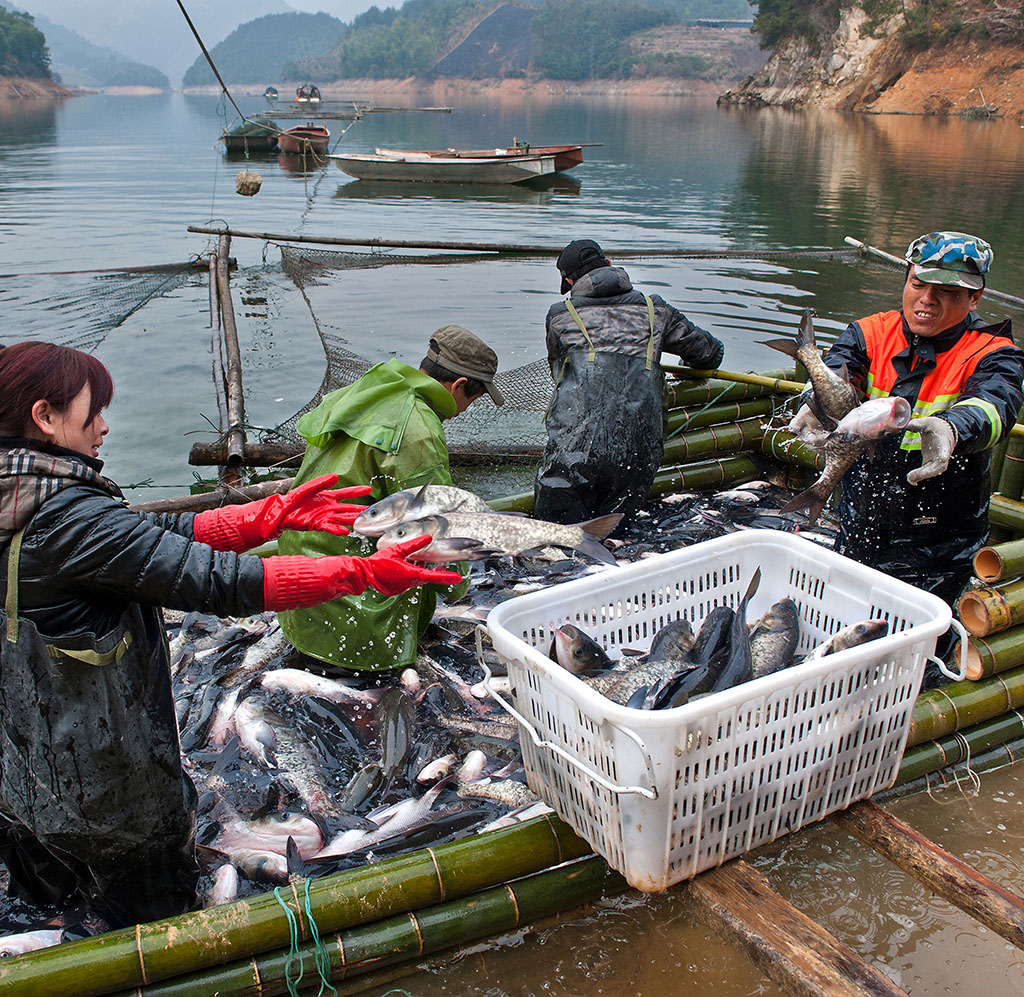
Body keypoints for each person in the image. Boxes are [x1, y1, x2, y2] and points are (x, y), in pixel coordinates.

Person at [0, 341, 461, 928]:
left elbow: (144, 539)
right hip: (102, 791)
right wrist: (358, 572)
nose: (105, 426)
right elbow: (211, 580)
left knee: (47, 903)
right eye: (92, 413)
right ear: (44, 417)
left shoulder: (22, 494)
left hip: (24, 769)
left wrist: (269, 516)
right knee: (153, 925)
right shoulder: (65, 517)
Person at [789, 231, 1024, 670]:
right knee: (849, 634)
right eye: (919, 284)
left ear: (975, 298)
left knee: (916, 655)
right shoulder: (868, 332)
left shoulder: (996, 354)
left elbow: (996, 406)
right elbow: (841, 372)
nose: (927, 301)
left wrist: (952, 428)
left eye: (947, 292)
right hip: (861, 517)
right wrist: (813, 401)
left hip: (941, 535)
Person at [278, 324, 503, 672]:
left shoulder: (371, 389)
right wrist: (459, 584)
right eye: (471, 399)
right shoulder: (419, 430)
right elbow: (436, 522)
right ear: (459, 386)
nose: (466, 409)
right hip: (343, 591)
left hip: (296, 572)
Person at [534, 239, 725, 527]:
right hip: (637, 453)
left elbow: (557, 372)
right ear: (610, 263)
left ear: (570, 281)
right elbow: (710, 354)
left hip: (572, 452)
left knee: (553, 539)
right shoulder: (656, 311)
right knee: (616, 539)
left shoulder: (559, 315)